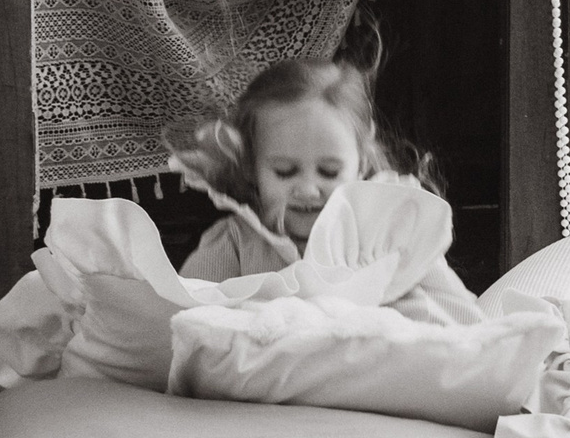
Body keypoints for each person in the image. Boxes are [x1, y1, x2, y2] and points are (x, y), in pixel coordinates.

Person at [170, 55, 404, 277]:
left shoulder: (391, 236)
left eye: (329, 172)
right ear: (251, 166)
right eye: (285, 172)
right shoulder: (233, 245)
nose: (307, 190)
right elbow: (186, 306)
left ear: (362, 163)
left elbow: (423, 301)